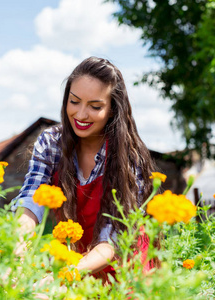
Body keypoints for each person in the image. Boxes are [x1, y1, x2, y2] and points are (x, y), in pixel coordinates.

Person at [11, 56, 156, 281]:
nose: (80, 114)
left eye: (95, 106)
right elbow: (32, 197)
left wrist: (68, 275)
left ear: (112, 110)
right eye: (74, 101)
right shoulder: (51, 143)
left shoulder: (128, 157)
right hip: (75, 259)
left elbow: (114, 238)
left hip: (125, 267)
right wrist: (18, 247)